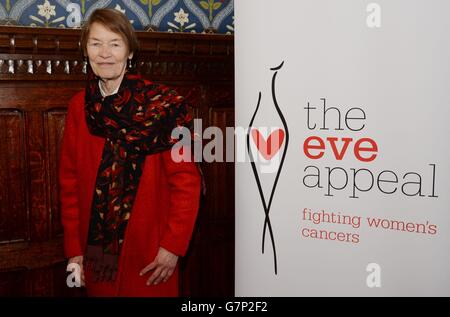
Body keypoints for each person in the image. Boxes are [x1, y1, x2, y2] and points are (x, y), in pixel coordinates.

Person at [59, 8, 201, 297]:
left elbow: (187, 182)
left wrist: (172, 247)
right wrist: (74, 251)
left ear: (130, 52)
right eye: (95, 43)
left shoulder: (164, 106)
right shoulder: (78, 107)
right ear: (85, 51)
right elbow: (69, 183)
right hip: (97, 255)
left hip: (151, 256)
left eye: (115, 43)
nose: (105, 53)